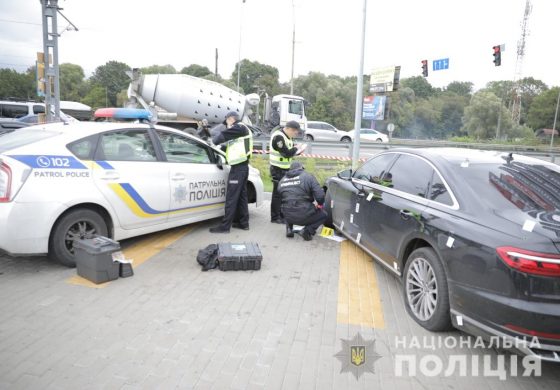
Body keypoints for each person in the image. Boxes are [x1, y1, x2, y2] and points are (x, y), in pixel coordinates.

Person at [208, 111, 253, 233]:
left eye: (226, 122)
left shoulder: (239, 127)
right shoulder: (239, 133)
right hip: (241, 168)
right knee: (241, 197)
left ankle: (225, 226)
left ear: (231, 119)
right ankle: (243, 223)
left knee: (231, 197)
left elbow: (224, 135)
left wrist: (213, 141)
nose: (226, 125)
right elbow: (229, 146)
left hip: (238, 169)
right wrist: (216, 147)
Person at [277, 161, 327, 241]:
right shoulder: (308, 177)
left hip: (287, 216)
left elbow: (279, 200)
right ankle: (307, 231)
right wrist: (320, 205)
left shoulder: (282, 180)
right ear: (301, 168)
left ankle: (289, 229)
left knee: (287, 204)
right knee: (323, 214)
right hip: (304, 214)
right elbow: (320, 196)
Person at [269, 120, 307, 223]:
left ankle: (281, 215)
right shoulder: (278, 137)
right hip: (277, 169)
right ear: (289, 129)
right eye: (295, 132)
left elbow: (290, 152)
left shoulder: (287, 137)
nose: (296, 134)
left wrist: (297, 151)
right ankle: (275, 217)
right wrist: (296, 148)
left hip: (284, 169)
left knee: (283, 193)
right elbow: (286, 153)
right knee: (277, 194)